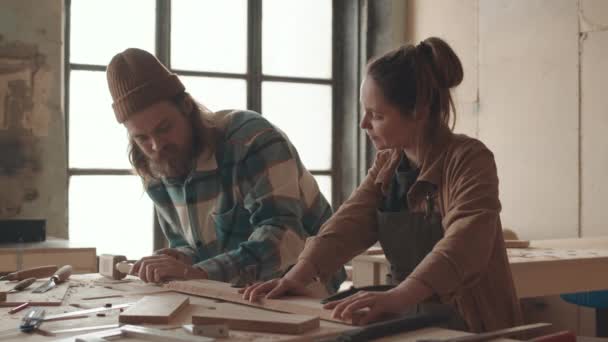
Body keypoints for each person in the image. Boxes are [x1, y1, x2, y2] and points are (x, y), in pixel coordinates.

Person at [242, 37, 523, 332]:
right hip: (410, 311)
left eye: (377, 115)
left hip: (472, 321)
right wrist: (297, 275)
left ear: (419, 110)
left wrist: (399, 296)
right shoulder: (388, 164)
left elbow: (464, 245)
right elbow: (347, 224)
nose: (364, 124)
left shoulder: (469, 159)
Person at [105, 48, 345, 293]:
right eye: (142, 138)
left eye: (164, 128)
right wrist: (179, 259)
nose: (156, 145)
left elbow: (283, 237)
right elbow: (193, 247)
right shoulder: (155, 164)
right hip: (231, 293)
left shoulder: (252, 140)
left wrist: (196, 272)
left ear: (186, 106)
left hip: (307, 287)